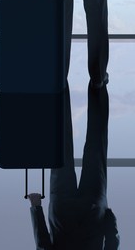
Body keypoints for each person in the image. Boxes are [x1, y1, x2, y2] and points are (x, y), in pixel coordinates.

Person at [28, 84, 118, 249]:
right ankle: (59, 78)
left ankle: (98, 84)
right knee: (61, 144)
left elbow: (112, 242)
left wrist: (108, 218)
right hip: (62, 213)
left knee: (96, 146)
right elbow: (43, 245)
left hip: (92, 212)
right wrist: (36, 208)